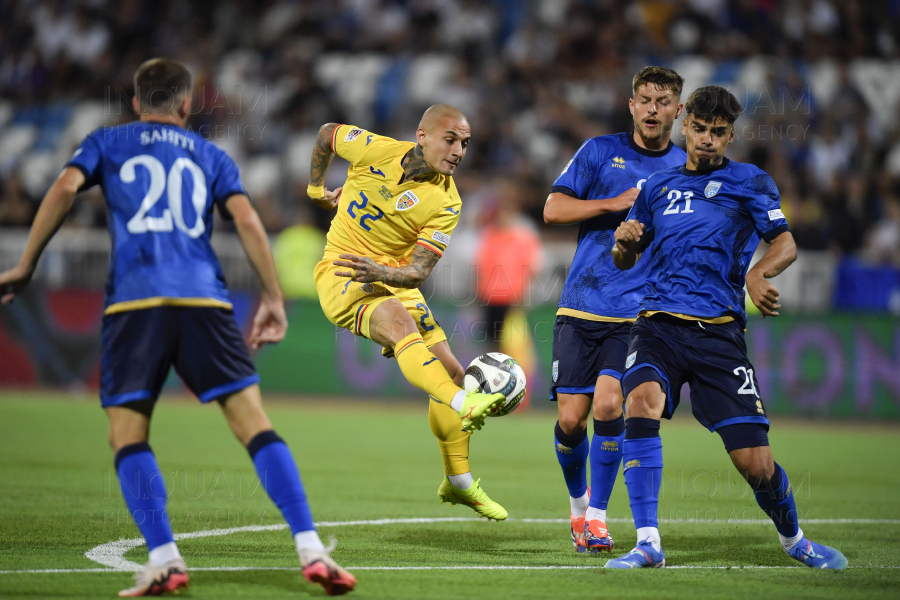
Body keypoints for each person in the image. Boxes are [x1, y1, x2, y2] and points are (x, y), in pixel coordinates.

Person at [0, 58, 356, 596]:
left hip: (134, 304)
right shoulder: (212, 154)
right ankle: (309, 548)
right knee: (255, 426)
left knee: (128, 434)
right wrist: (273, 297)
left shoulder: (106, 140)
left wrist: (27, 264)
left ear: (138, 102)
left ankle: (165, 557)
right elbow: (248, 220)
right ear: (187, 105)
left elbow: (62, 190)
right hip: (204, 302)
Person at [606, 85, 847, 569]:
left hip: (719, 334)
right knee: (641, 400)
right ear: (684, 126)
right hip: (659, 324)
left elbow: (785, 244)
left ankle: (794, 539)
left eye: (718, 132)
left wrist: (759, 273)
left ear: (730, 134)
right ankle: (648, 542)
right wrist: (623, 241)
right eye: (699, 129)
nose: (708, 140)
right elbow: (625, 259)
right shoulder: (657, 189)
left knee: (754, 465)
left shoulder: (751, 182)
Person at [308, 105, 508, 521]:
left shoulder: (447, 202)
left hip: (392, 276)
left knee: (452, 370)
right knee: (402, 328)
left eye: (465, 144)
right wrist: (315, 187)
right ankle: (463, 404)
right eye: (450, 139)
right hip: (342, 270)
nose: (458, 151)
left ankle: (459, 482)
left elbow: (418, 271)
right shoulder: (375, 150)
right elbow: (328, 132)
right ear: (422, 135)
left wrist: (382, 270)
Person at [543, 66, 686, 553]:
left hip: (638, 314)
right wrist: (614, 203)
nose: (652, 109)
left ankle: (599, 519)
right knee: (570, 421)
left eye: (662, 101)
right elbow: (553, 210)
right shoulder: (600, 152)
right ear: (631, 105)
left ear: (678, 110)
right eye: (644, 99)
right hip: (582, 305)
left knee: (609, 405)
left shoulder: (687, 170)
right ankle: (579, 507)